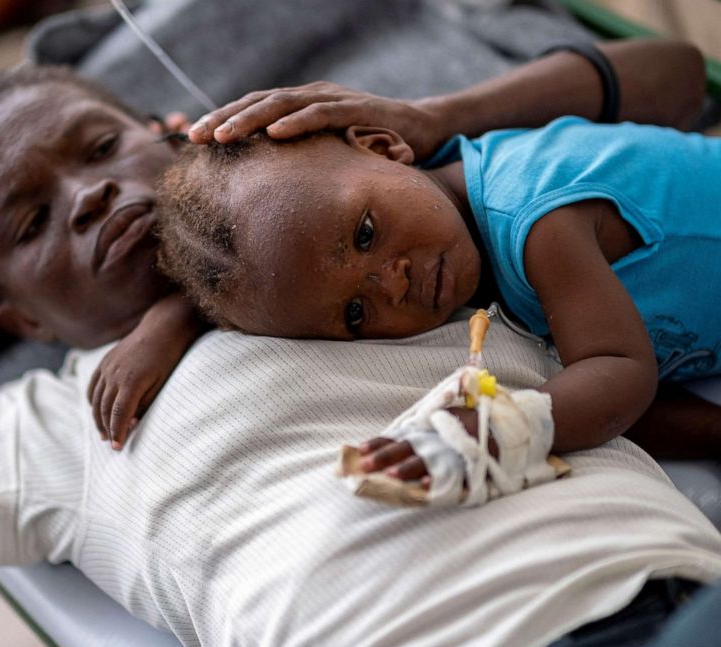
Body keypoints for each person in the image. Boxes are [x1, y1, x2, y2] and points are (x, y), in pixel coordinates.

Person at [0, 39, 721, 647]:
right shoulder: (76, 425)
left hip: (655, 591)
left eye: (96, 149)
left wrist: (435, 122)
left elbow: (671, 80)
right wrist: (63, 298)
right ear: (22, 321)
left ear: (176, 132)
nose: (85, 197)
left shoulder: (407, 237)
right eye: (32, 220)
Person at [156, 44, 721, 488]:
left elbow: (620, 376)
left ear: (385, 145)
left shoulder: (533, 215)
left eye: (365, 233)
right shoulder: (472, 265)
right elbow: (618, 404)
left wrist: (492, 433)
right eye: (355, 312)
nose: (390, 283)